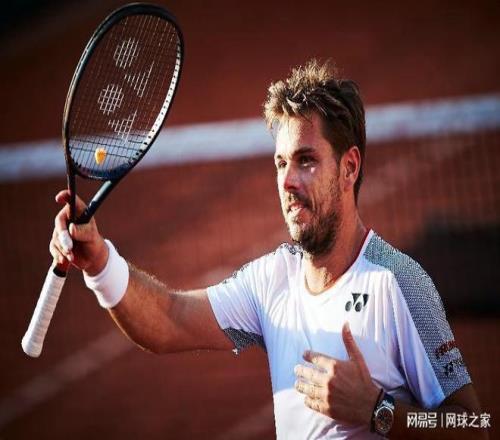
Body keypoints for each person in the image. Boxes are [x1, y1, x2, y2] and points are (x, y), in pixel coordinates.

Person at [50, 60, 486, 439]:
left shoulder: (399, 283)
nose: (287, 181)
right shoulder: (273, 280)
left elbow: (472, 425)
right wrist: (99, 261)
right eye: (280, 163)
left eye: (306, 160)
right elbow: (170, 319)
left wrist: (379, 411)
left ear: (349, 167)